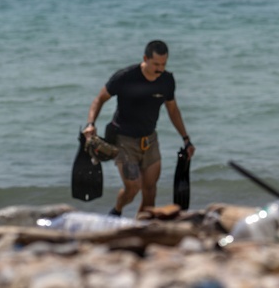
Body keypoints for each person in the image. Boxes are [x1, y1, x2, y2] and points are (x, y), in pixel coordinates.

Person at [83, 40, 195, 217]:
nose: (160, 69)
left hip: (150, 140)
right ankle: (116, 211)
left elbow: (173, 110)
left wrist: (186, 139)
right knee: (133, 187)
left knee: (150, 190)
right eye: (156, 64)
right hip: (123, 140)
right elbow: (99, 99)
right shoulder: (125, 77)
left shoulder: (166, 80)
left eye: (164, 64)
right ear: (145, 58)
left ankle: (142, 226)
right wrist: (91, 124)